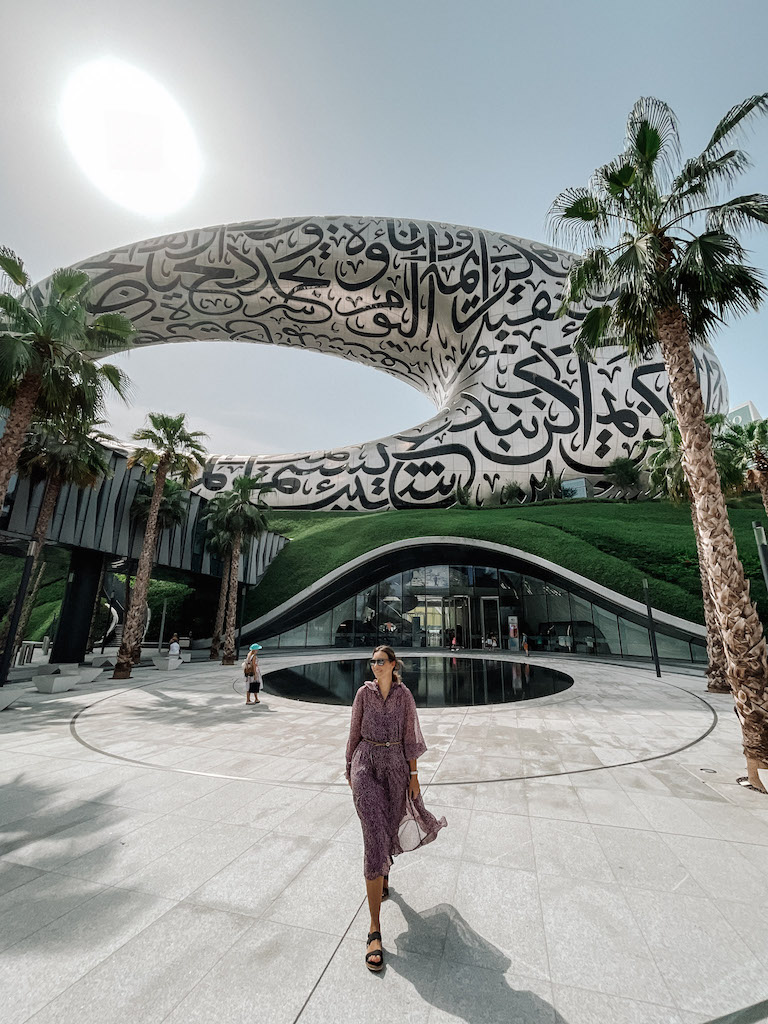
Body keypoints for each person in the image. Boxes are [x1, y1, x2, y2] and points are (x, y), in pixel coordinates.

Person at [345, 645, 447, 972]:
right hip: (366, 766)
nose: (375, 666)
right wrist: (350, 767)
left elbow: (411, 739)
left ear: (392, 665)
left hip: (396, 769)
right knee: (373, 839)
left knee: (388, 828)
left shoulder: (404, 697)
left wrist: (415, 776)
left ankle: (384, 873)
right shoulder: (364, 693)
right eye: (372, 661)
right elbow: (353, 731)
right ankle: (374, 930)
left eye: (380, 661)